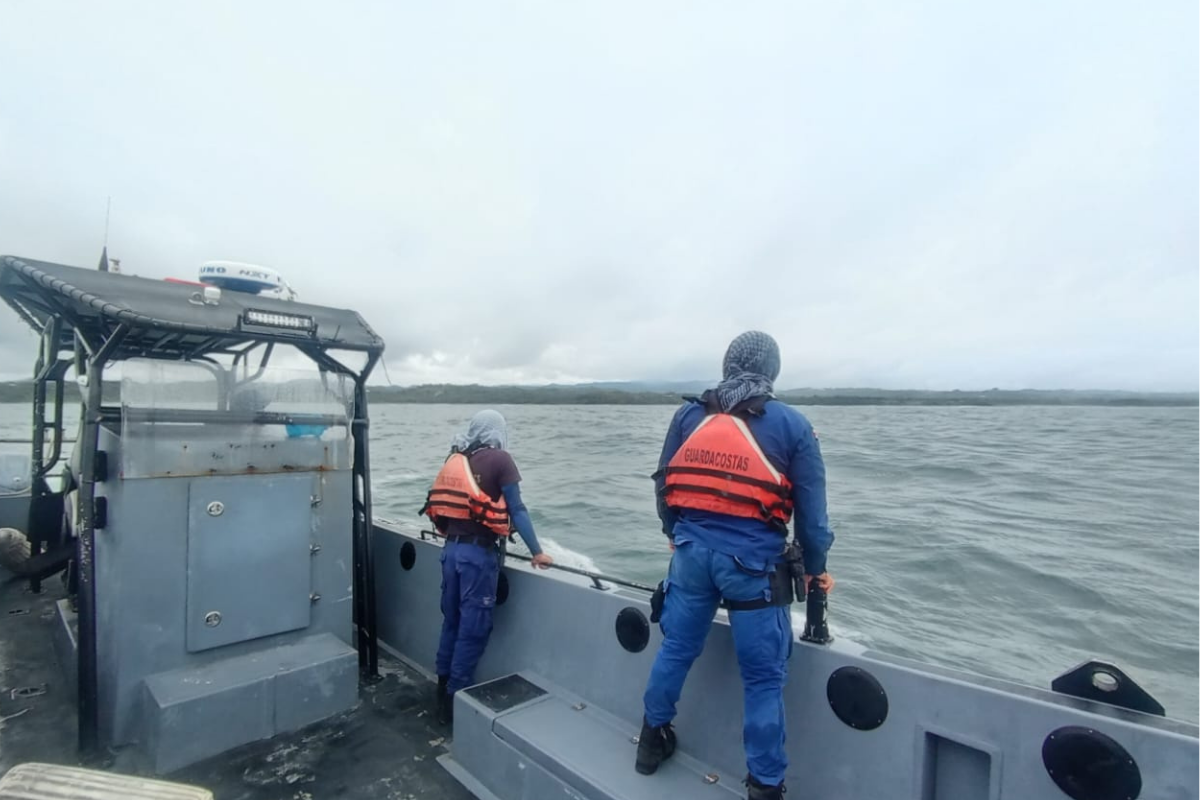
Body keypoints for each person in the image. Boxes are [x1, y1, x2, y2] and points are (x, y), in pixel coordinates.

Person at [635, 331, 835, 800]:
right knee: (763, 679)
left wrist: (673, 534)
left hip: (690, 556)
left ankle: (649, 743)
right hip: (754, 569)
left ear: (727, 364)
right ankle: (765, 785)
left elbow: (664, 484)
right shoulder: (792, 424)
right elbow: (813, 518)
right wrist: (815, 567)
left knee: (677, 648)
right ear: (773, 371)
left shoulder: (688, 414)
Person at [421, 409, 553, 725]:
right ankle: (454, 704)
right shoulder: (501, 460)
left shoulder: (457, 458)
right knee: (473, 629)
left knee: (451, 622)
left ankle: (441, 689)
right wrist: (537, 552)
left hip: (450, 552)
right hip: (477, 558)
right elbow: (517, 509)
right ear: (497, 432)